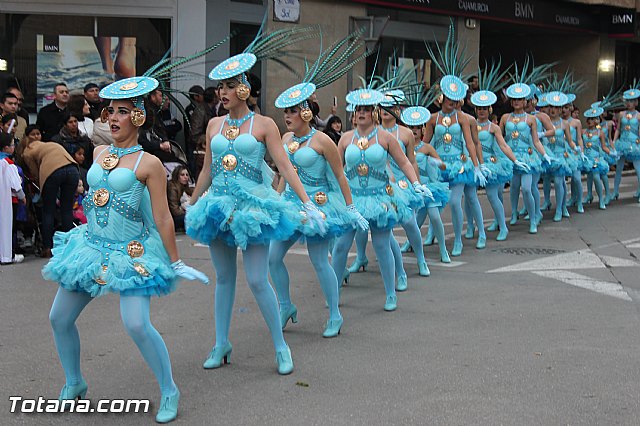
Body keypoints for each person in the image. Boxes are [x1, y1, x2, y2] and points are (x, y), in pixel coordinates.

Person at [43, 75, 208, 424]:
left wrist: (175, 262)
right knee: (58, 318)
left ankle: (169, 389)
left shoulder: (148, 164)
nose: (113, 118)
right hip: (90, 247)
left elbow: (162, 218)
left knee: (135, 324)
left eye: (122, 111)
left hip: (130, 251)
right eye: (110, 111)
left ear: (138, 117)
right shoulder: (100, 151)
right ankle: (75, 382)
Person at [186, 23, 326, 375]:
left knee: (257, 279)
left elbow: (284, 166)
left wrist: (306, 201)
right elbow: (207, 169)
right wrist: (193, 199)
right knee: (224, 278)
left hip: (253, 208)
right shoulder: (215, 125)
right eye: (220, 86)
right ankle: (221, 344)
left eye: (229, 86)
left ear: (244, 88)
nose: (222, 92)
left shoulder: (265, 124)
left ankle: (280, 345)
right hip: (218, 205)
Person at [269, 34, 369, 338]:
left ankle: (335, 314)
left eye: (292, 111)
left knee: (318, 260)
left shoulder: (323, 140)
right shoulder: (285, 140)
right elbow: (283, 174)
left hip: (320, 205)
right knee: (273, 258)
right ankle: (285, 305)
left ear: (307, 112)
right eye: (285, 112)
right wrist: (273, 201)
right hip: (290, 204)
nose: (287, 117)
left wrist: (350, 208)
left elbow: (340, 176)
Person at [331, 85, 431, 312]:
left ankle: (390, 292)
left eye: (366, 109)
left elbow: (405, 162)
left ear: (374, 112)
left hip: (380, 199)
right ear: (353, 113)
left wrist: (416, 183)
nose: (362, 113)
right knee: (341, 246)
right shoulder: (346, 138)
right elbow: (336, 169)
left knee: (381, 245)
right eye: (358, 109)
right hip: (353, 199)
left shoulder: (385, 137)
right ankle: (334, 290)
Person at [424, 25, 487, 257]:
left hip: (460, 164)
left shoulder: (465, 118)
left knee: (457, 200)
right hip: (439, 164)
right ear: (442, 98)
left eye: (455, 100)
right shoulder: (432, 119)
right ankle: (432, 233)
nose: (451, 103)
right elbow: (426, 144)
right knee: (437, 202)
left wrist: (477, 165)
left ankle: (465, 238)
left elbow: (471, 143)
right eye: (448, 99)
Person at [400, 88, 451, 263]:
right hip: (412, 186)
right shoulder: (402, 146)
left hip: (429, 187)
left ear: (422, 130)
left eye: (417, 127)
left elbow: (443, 165)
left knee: (435, 217)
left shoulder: (427, 147)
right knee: (413, 219)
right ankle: (410, 242)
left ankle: (444, 250)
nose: (414, 130)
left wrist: (436, 163)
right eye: (411, 127)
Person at [499, 74, 550, 235]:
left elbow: (535, 141)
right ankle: (513, 212)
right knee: (513, 186)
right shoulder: (505, 117)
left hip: (527, 157)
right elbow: (499, 138)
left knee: (527, 188)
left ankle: (534, 217)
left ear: (525, 101)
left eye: (520, 99)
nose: (516, 102)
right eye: (514, 99)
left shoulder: (531, 119)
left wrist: (544, 154)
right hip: (510, 157)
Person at [20, 126, 79, 259]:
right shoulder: (51, 144)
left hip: (52, 172)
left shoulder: (27, 152)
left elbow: (35, 173)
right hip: (72, 168)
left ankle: (48, 247)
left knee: (49, 210)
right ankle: (68, 246)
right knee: (67, 210)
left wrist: (39, 187)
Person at [541, 91, 578, 222]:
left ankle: (559, 209)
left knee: (558, 181)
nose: (553, 110)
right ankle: (561, 206)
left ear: (561, 109)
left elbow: (569, 140)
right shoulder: (544, 122)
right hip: (548, 154)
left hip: (560, 155)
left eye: (556, 107)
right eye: (551, 106)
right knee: (553, 180)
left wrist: (576, 148)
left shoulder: (564, 124)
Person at [0, 133, 26, 264]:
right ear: (5, 148)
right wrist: (22, 196)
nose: (13, 147)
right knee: (8, 228)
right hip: (8, 201)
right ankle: (7, 255)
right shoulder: (9, 164)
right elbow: (16, 184)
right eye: (11, 145)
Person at [612, 83, 640, 202]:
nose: (629, 103)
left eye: (632, 101)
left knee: (638, 168)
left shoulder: (639, 115)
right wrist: (614, 141)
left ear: (635, 103)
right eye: (627, 101)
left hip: (633, 143)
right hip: (622, 142)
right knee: (619, 167)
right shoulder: (621, 114)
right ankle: (615, 191)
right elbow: (618, 128)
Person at [580, 106, 611, 210]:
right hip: (586, 158)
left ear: (597, 120)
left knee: (596, 177)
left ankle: (601, 199)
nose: (590, 121)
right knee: (587, 177)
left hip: (596, 159)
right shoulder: (583, 131)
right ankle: (588, 195)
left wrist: (612, 152)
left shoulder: (600, 132)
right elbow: (580, 144)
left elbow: (603, 146)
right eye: (589, 119)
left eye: (593, 119)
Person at [167, 165, 193, 231]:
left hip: (181, 213)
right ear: (177, 176)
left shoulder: (184, 187)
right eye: (182, 175)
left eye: (187, 175)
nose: (185, 177)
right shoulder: (172, 187)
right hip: (173, 218)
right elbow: (175, 210)